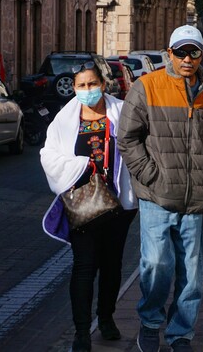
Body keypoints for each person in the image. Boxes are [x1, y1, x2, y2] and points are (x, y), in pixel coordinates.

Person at [117, 25, 203, 352]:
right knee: (156, 264)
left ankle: (180, 333)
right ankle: (151, 322)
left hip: (196, 198)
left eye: (193, 52)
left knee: (192, 275)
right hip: (156, 197)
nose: (187, 58)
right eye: (180, 52)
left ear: (201, 54)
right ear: (169, 53)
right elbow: (127, 139)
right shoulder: (146, 87)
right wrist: (151, 175)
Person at [40, 62, 138, 352]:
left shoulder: (122, 111)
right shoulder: (65, 119)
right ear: (74, 88)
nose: (87, 90)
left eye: (92, 84)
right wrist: (80, 166)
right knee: (84, 266)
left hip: (120, 203)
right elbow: (49, 156)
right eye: (81, 86)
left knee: (112, 265)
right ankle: (81, 331)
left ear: (103, 84)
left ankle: (106, 319)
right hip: (83, 203)